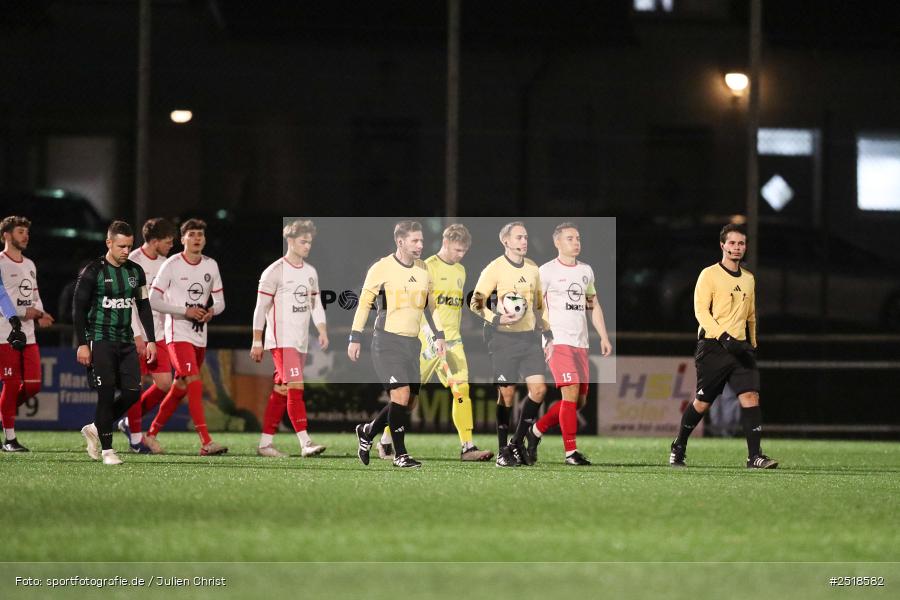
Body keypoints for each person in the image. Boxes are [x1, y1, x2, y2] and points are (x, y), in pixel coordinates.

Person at [377, 224, 493, 462]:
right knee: (406, 399)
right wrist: (429, 335)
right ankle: (384, 441)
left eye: (465, 251)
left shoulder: (461, 270)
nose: (461, 255)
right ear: (446, 243)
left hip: (453, 340)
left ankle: (467, 447)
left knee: (462, 389)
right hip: (425, 340)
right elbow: (419, 305)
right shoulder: (426, 266)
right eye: (458, 250)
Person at [669, 223, 778, 469]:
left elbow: (750, 315)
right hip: (714, 347)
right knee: (703, 402)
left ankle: (754, 457)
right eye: (732, 243)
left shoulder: (749, 279)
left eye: (741, 243)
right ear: (722, 245)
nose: (737, 248)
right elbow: (700, 312)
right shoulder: (709, 274)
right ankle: (679, 445)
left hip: (740, 349)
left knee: (751, 396)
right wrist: (725, 337)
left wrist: (752, 344)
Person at [349, 220, 446, 469]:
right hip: (387, 341)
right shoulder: (382, 267)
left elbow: (430, 306)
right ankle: (400, 455)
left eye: (421, 240)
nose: (420, 245)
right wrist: (355, 336)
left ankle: (368, 431)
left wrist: (440, 335)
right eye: (415, 240)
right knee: (401, 396)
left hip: (412, 344)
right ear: (400, 241)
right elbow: (363, 304)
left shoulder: (424, 269)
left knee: (409, 402)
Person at [527, 222, 612, 466]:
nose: (576, 242)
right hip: (558, 341)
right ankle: (570, 453)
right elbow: (536, 305)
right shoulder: (546, 271)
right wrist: (545, 335)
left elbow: (593, 305)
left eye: (578, 238)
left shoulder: (586, 270)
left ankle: (535, 432)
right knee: (571, 392)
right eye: (570, 238)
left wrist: (604, 337)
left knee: (578, 402)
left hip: (581, 343)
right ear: (557, 242)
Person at [73, 220, 157, 465]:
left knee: (132, 394)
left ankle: (96, 427)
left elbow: (143, 305)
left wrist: (150, 339)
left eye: (129, 246)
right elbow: (78, 309)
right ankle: (108, 451)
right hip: (100, 339)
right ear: (108, 242)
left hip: (125, 340)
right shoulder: (93, 271)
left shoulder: (135, 271)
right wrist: (82, 343)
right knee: (107, 394)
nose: (125, 251)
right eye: (121, 246)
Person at [469, 221, 552, 467]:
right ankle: (503, 449)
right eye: (518, 237)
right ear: (506, 241)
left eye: (525, 237)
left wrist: (547, 332)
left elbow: (538, 305)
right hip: (503, 339)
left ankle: (516, 444)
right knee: (506, 393)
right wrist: (496, 318)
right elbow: (475, 302)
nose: (524, 241)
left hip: (529, 339)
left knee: (539, 391)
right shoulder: (495, 268)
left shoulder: (533, 268)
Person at [145, 218, 228, 456]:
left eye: (200, 234)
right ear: (182, 239)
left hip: (199, 336)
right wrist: (185, 311)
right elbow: (153, 299)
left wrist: (212, 311)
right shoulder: (171, 264)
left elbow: (221, 301)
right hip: (177, 334)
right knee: (193, 380)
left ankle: (150, 434)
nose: (197, 238)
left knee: (180, 387)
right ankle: (205, 441)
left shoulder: (211, 265)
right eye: (191, 234)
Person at [250, 219, 328, 458]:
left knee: (281, 390)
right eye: (303, 241)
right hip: (281, 341)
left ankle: (265, 444)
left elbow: (316, 305)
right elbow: (260, 308)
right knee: (296, 387)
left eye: (310, 242)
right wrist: (257, 340)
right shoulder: (274, 271)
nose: (307, 246)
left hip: (300, 341)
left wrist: (322, 330)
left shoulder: (310, 272)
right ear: (290, 241)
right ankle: (305, 442)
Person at [118, 217, 178, 454]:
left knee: (164, 384)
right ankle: (135, 437)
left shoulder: (167, 263)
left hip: (159, 334)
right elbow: (128, 301)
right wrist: (136, 334)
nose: (171, 245)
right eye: (167, 241)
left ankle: (127, 423)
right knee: (134, 385)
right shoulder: (133, 261)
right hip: (136, 334)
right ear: (153, 241)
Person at [0, 216, 55, 452]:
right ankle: (9, 439)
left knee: (33, 385)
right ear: (6, 235)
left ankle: (4, 414)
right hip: (4, 334)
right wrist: (25, 311)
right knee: (11, 385)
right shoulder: (0, 262)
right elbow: (1, 299)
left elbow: (35, 295)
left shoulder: (29, 264)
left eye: (26, 232)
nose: (25, 236)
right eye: (20, 231)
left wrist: (40, 313)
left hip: (29, 335)